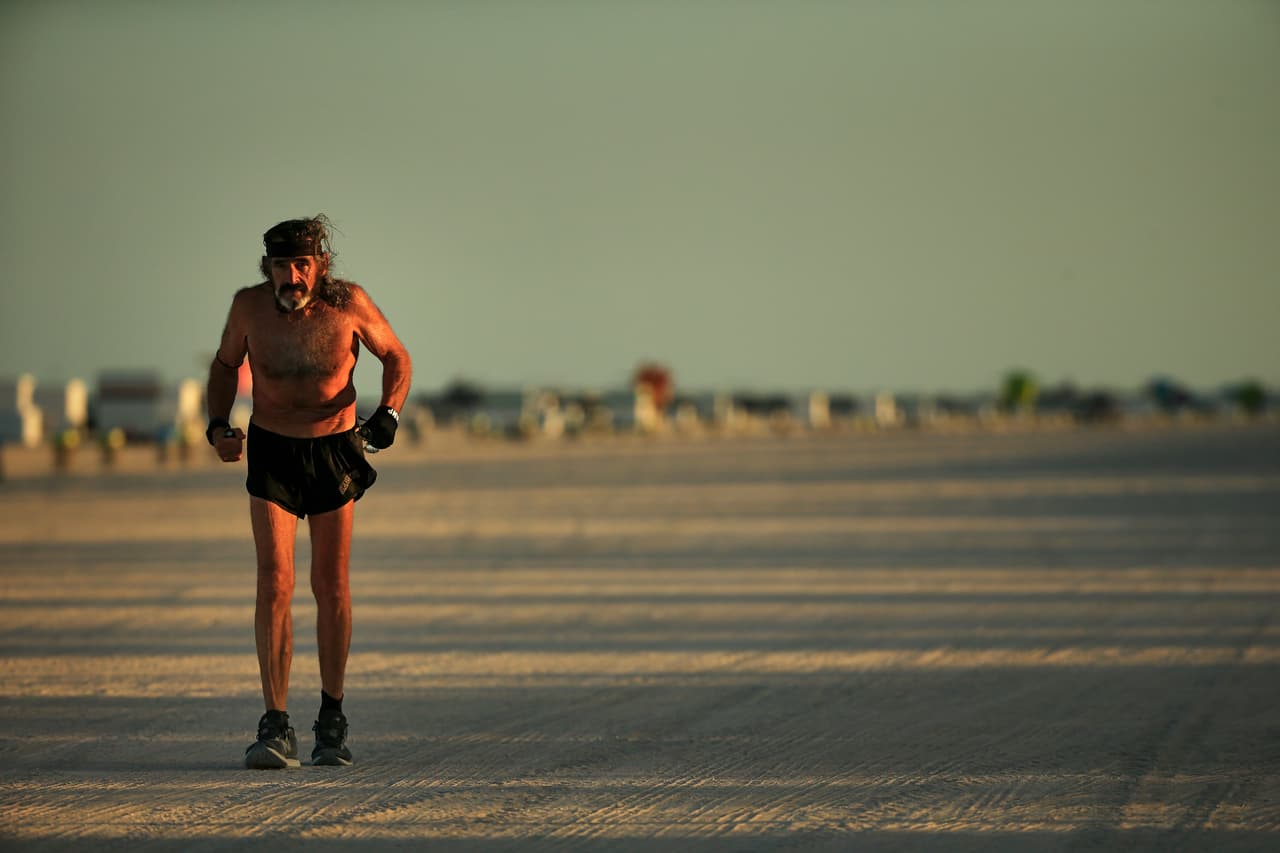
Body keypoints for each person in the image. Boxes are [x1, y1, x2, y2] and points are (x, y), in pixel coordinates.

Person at [206, 215, 412, 769]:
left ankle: (331, 720)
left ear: (320, 265)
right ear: (266, 268)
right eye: (281, 266)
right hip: (273, 450)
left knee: (330, 584)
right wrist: (218, 426)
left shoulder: (349, 304)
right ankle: (275, 724)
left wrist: (388, 414)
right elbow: (225, 365)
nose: (291, 276)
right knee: (274, 582)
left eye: (302, 265)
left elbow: (396, 355)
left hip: (333, 453)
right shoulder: (248, 308)